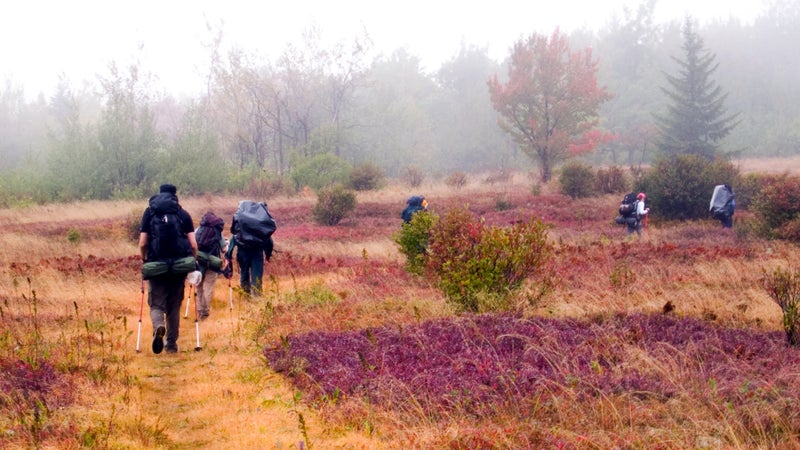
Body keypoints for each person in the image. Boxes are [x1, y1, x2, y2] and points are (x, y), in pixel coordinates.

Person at [138, 184, 197, 354]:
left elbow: (143, 242)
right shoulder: (182, 214)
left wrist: (145, 259)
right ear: (174, 195)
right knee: (173, 306)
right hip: (178, 267)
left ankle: (158, 326)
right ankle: (171, 345)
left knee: (156, 304)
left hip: (156, 266)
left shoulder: (149, 213)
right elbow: (193, 244)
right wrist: (192, 261)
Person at [225, 204, 274, 296]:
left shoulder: (242, 224)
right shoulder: (260, 227)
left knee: (244, 273)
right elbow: (269, 242)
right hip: (257, 253)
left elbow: (233, 240)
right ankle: (257, 296)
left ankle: (245, 295)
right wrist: (268, 254)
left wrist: (228, 255)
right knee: (256, 276)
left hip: (243, 253)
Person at [194, 211, 229, 320]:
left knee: (199, 287)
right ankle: (205, 313)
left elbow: (192, 247)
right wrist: (226, 244)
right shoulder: (218, 232)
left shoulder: (197, 230)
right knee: (208, 287)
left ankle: (200, 311)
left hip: (199, 263)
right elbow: (224, 249)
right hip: (213, 263)